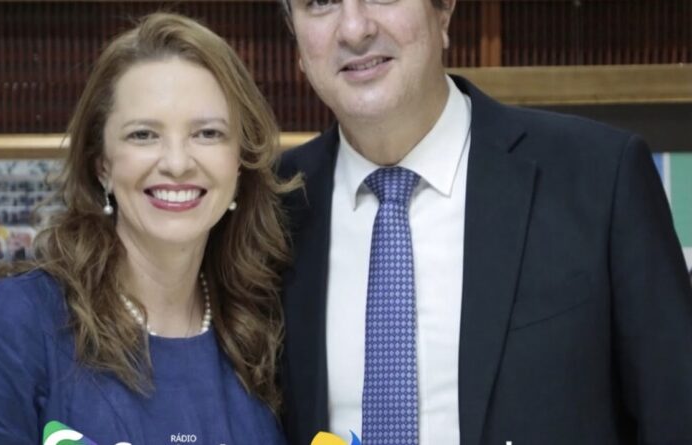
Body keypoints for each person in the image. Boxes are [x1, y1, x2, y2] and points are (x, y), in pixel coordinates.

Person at [276, 1, 692, 444]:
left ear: (443, 12)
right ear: (296, 39)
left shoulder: (599, 176)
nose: (354, 29)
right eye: (319, 2)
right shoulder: (271, 208)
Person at [0, 11, 297, 444]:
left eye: (208, 133)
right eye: (143, 135)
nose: (177, 163)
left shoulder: (263, 331)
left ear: (240, 161)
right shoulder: (18, 325)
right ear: (102, 164)